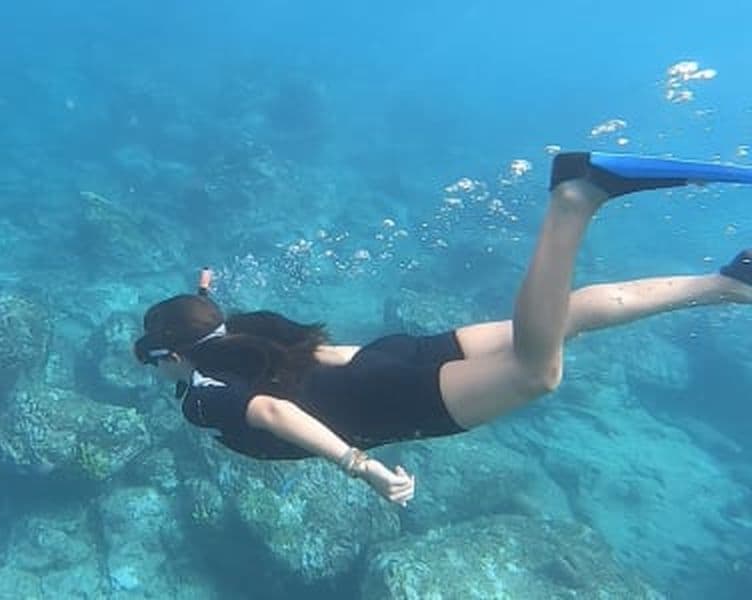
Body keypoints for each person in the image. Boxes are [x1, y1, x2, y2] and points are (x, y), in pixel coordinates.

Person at [134, 152, 752, 507]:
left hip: (391, 401)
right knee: (568, 320)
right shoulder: (239, 329)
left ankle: (576, 196)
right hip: (387, 359)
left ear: (173, 354)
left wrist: (362, 467)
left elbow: (269, 413)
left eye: (154, 359)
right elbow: (206, 315)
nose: (156, 370)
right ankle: (730, 284)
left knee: (538, 374)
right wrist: (204, 288)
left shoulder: (200, 397)